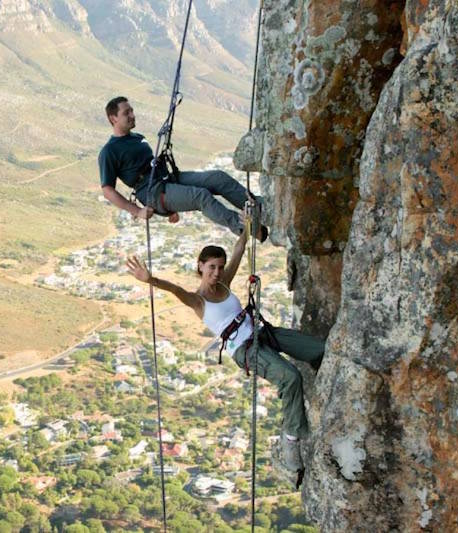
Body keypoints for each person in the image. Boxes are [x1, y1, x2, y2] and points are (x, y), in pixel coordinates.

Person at [125, 230, 323, 472]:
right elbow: (175, 289)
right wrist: (150, 279)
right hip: (245, 349)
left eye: (220, 267)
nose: (217, 272)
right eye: (211, 267)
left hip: (261, 333)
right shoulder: (199, 301)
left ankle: (319, 370)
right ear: (200, 266)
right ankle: (291, 439)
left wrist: (247, 225)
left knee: (319, 349)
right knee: (290, 377)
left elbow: (239, 249)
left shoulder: (224, 283)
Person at [98, 96, 267, 241]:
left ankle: (258, 206)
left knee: (218, 178)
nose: (132, 115)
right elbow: (107, 190)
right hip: (153, 193)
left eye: (132, 111)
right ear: (113, 119)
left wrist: (175, 205)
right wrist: (137, 211)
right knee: (201, 197)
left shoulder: (137, 138)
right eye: (126, 113)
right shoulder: (109, 151)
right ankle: (248, 229)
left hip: (167, 180)